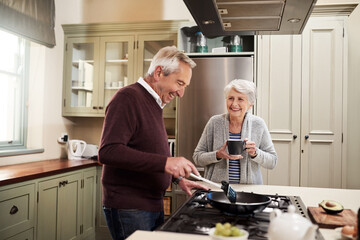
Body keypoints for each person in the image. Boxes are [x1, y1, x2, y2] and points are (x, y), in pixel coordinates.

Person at [98, 46, 208, 240]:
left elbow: (146, 149)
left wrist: (177, 179)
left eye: (185, 86)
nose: (181, 93)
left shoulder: (154, 102)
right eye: (179, 83)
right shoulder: (128, 98)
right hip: (130, 207)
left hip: (150, 203)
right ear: (158, 72)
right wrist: (167, 163)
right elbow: (109, 151)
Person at [193, 79, 277, 184]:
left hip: (249, 190)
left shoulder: (258, 124)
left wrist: (255, 153)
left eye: (240, 99)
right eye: (231, 98)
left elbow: (272, 161)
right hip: (218, 189)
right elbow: (197, 158)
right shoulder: (215, 122)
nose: (234, 104)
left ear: (250, 104)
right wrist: (218, 155)